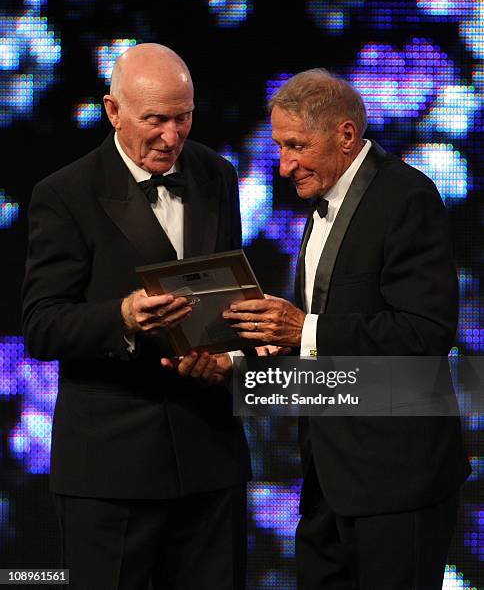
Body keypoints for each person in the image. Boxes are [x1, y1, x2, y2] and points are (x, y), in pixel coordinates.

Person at [223, 69, 471, 589]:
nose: (284, 164)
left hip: (398, 486)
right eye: (279, 147)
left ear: (345, 135)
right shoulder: (322, 206)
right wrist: (258, 355)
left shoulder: (406, 197)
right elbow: (329, 343)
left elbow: (425, 333)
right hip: (327, 482)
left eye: (296, 146)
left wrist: (306, 330)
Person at [22, 43, 250, 590]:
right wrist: (122, 317)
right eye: (155, 120)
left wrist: (231, 355)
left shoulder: (216, 174)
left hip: (210, 459)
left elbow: (232, 296)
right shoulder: (65, 194)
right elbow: (42, 324)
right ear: (112, 110)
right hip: (111, 471)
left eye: (183, 117)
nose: (172, 136)